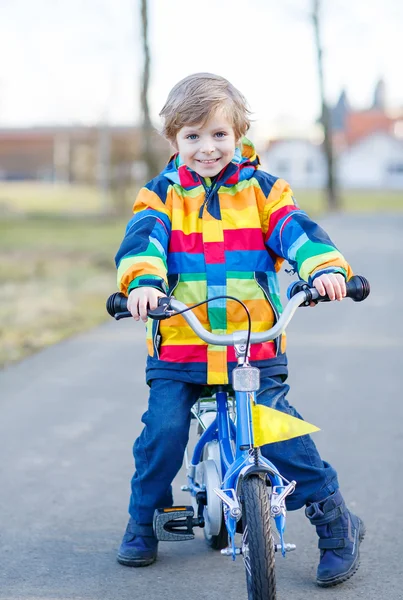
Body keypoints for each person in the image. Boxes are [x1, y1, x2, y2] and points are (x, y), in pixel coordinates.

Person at [114, 73, 365, 587]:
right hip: (183, 347)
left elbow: (295, 231)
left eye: (219, 135)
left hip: (253, 347)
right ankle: (144, 520)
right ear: (173, 140)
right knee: (162, 432)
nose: (207, 148)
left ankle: (335, 520)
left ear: (240, 133)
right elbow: (143, 244)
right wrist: (142, 283)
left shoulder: (266, 192)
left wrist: (324, 269)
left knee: (279, 433)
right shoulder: (159, 197)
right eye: (192, 136)